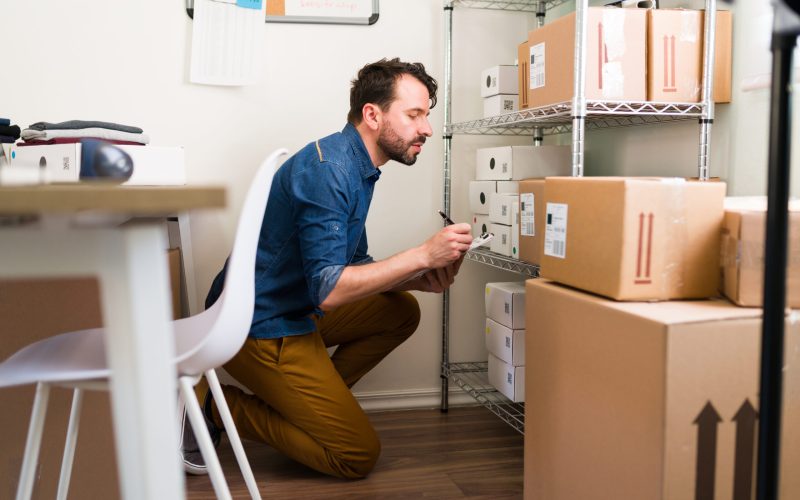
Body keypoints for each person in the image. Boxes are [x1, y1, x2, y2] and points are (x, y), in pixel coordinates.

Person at [181, 58, 474, 479]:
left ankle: (312, 408)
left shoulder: (358, 167)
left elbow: (352, 266)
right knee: (355, 456)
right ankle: (208, 398)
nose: (426, 128)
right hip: (260, 323)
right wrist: (422, 255)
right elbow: (331, 290)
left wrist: (420, 279)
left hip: (297, 309)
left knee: (402, 309)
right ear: (372, 115)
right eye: (414, 115)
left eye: (426, 115)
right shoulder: (329, 170)